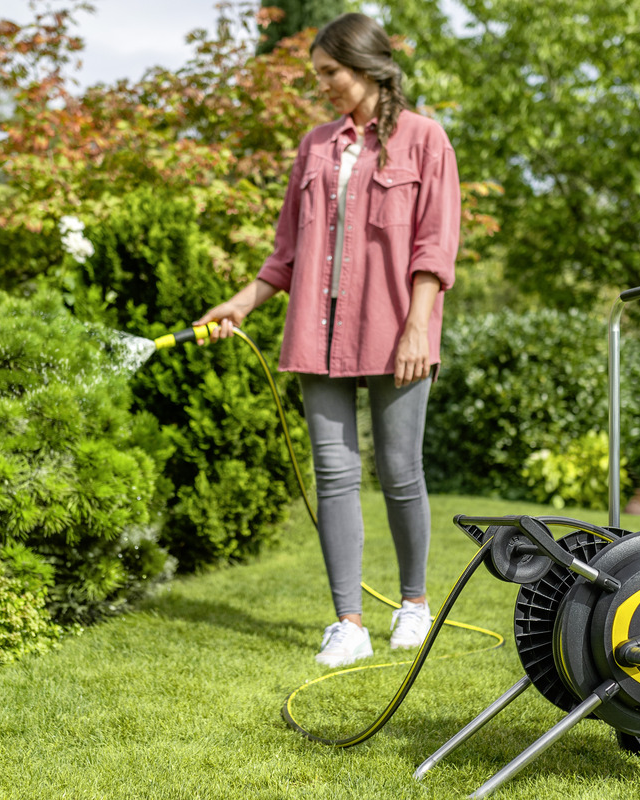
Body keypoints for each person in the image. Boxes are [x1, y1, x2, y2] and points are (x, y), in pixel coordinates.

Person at [196, 12, 460, 668]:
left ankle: (414, 605)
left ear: (368, 67)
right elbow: (286, 252)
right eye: (318, 74)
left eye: (330, 72)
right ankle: (348, 623)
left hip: (397, 329)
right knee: (334, 476)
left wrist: (417, 328)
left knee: (400, 471)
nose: (322, 85)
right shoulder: (314, 146)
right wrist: (240, 303)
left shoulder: (425, 139)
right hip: (318, 331)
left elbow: (434, 246)